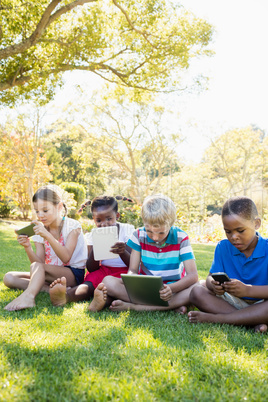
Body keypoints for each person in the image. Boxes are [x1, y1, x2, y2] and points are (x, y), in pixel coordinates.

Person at [87, 194, 198, 312]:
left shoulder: (181, 237)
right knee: (108, 281)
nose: (155, 237)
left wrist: (170, 288)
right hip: (145, 289)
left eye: (161, 233)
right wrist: (132, 282)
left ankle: (134, 306)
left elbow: (193, 276)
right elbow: (133, 270)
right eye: (149, 231)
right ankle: (172, 306)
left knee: (198, 288)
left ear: (171, 225)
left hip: (174, 289)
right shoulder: (138, 235)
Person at [188, 196, 268, 333]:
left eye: (240, 230)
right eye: (228, 232)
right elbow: (209, 278)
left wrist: (248, 290)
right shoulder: (223, 247)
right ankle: (253, 321)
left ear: (256, 224)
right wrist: (213, 285)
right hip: (232, 303)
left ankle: (217, 319)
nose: (234, 237)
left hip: (262, 303)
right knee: (196, 291)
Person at [3, 185, 87, 311]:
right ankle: (49, 289)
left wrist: (46, 235)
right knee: (9, 277)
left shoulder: (73, 226)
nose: (40, 215)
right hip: (49, 274)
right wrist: (27, 247)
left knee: (37, 268)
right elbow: (38, 264)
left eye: (45, 210)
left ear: (59, 207)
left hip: (72, 274)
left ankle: (29, 296)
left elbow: (66, 257)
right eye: (37, 211)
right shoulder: (39, 229)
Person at [49, 195, 135, 307]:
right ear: (93, 219)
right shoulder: (92, 235)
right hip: (103, 270)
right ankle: (65, 296)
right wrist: (96, 249)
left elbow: (133, 263)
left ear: (117, 216)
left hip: (124, 271)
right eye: (99, 220)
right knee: (89, 285)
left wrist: (123, 251)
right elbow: (91, 268)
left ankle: (101, 301)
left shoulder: (127, 230)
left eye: (109, 219)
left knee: (112, 290)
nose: (104, 224)